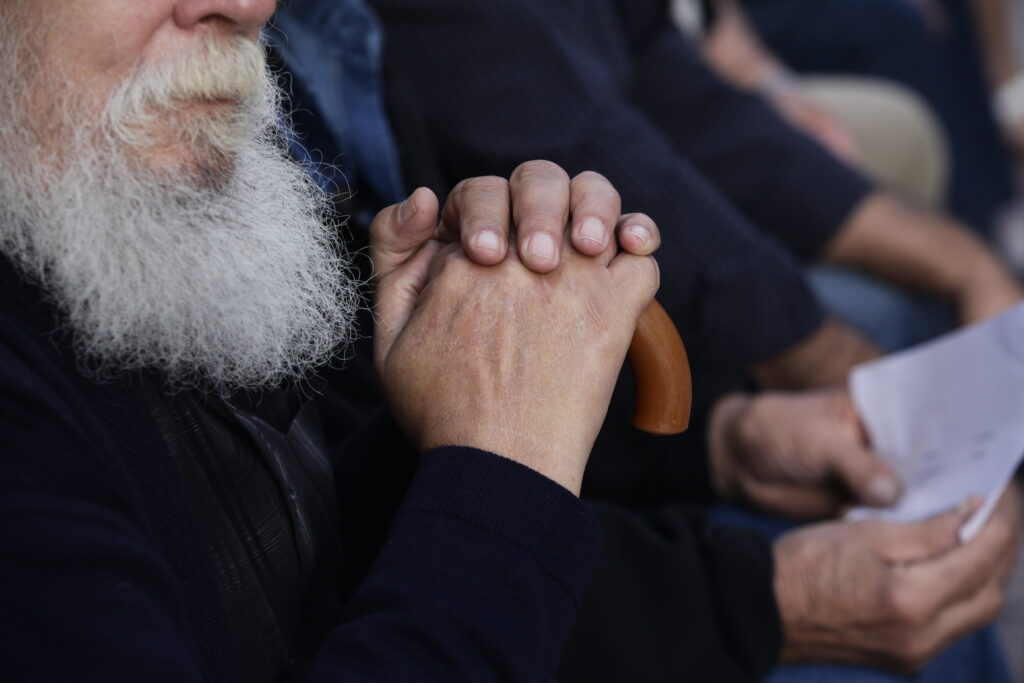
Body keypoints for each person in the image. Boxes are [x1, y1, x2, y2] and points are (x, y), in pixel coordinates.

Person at [270, 0, 1022, 680]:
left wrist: (723, 437)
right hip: (507, 582)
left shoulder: (310, 67)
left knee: (920, 552)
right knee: (927, 628)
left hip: (523, 544)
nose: (248, 7)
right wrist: (764, 601)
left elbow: (356, 466)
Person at [0, 1, 664, 681]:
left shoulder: (70, 199)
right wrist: (504, 472)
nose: (250, 6)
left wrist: (450, 412)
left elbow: (255, 600)